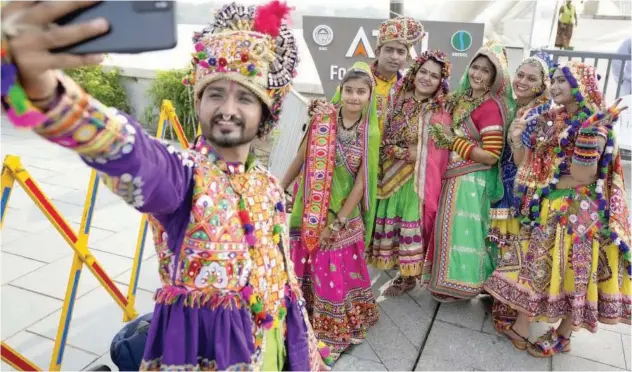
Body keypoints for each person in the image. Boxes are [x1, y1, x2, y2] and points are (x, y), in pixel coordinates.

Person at [0, 1, 331, 370]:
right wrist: (47, 92)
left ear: (266, 112)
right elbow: (132, 154)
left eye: (245, 97)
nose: (227, 108)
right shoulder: (186, 180)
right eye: (215, 94)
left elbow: (284, 286)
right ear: (199, 101)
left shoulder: (268, 185)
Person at [485, 61, 631, 357]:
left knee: (569, 269)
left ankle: (563, 334)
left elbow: (582, 175)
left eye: (563, 80)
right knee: (537, 264)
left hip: (577, 211)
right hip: (550, 204)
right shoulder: (552, 118)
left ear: (582, 85)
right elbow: (525, 159)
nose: (555, 86)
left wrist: (544, 184)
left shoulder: (593, 125)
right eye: (553, 79)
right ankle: (524, 325)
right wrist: (517, 137)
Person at [281, 61, 380, 359]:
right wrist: (279, 187)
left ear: (369, 96)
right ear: (341, 91)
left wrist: (336, 223)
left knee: (332, 265)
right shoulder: (323, 120)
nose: (353, 97)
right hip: (308, 205)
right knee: (304, 260)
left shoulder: (369, 133)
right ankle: (303, 315)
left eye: (360, 92)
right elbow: (301, 156)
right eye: (348, 90)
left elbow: (361, 184)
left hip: (342, 214)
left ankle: (333, 325)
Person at [426, 40, 516, 302]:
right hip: (455, 174)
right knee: (448, 228)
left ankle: (461, 286)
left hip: (474, 178)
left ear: (494, 78)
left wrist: (452, 141)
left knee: (463, 231)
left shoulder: (491, 107)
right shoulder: (464, 98)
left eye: (485, 71)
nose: (477, 74)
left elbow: (491, 156)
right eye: (475, 67)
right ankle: (444, 280)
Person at [367, 50, 452, 296]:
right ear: (414, 73)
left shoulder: (439, 111)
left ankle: (408, 276)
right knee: (389, 220)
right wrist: (399, 151)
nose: (427, 78)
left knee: (409, 221)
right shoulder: (397, 98)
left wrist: (410, 152)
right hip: (389, 172)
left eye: (434, 76)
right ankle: (392, 264)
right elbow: (381, 132)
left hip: (416, 180)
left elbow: (437, 150)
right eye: (423, 72)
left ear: (440, 82)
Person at [487, 51, 553, 329]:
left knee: (514, 245)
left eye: (531, 78)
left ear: (542, 84)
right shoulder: (515, 106)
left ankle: (509, 306)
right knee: (501, 241)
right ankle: (497, 295)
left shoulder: (539, 113)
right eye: (521, 75)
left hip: (522, 189)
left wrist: (515, 141)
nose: (523, 81)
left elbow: (523, 160)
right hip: (506, 182)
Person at [308, 16, 424, 134]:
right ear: (378, 52)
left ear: (407, 57)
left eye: (400, 52)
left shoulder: (407, 86)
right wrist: (318, 107)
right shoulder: (359, 77)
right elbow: (333, 109)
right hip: (356, 148)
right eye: (389, 50)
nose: (394, 56)